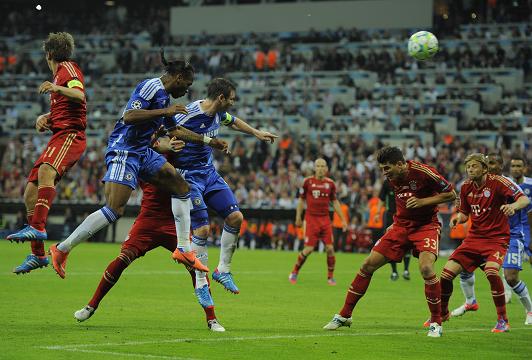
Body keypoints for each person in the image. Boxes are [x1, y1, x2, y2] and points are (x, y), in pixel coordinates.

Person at [48, 50, 228, 279]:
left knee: (181, 186)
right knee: (114, 209)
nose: (187, 91)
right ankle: (61, 249)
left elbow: (175, 131)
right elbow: (129, 116)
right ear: (179, 77)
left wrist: (209, 141)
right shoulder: (151, 87)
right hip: (125, 149)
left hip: (142, 151)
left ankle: (183, 249)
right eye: (188, 84)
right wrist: (165, 111)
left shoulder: (165, 99)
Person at [73, 137, 225, 331]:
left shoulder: (179, 152)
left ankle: (211, 318)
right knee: (122, 259)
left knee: (196, 267)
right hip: (148, 220)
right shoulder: (143, 154)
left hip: (174, 223)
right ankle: (91, 306)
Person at [323, 146, 456, 338]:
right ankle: (345, 315)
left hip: (426, 226)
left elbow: (451, 194)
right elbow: (401, 204)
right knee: (367, 265)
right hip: (400, 227)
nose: (384, 172)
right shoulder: (392, 178)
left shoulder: (424, 172)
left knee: (426, 269)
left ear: (401, 164)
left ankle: (436, 321)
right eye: (382, 168)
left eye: (387, 168)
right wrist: (394, 223)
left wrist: (422, 202)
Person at [171, 77, 277, 294]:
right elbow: (174, 130)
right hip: (188, 177)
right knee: (202, 228)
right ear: (220, 98)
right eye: (231, 99)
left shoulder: (219, 113)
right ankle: (201, 282)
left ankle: (223, 270)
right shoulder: (191, 112)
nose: (233, 103)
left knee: (236, 218)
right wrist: (209, 142)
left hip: (209, 174)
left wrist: (256, 132)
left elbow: (234, 121)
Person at [7, 33, 88, 274]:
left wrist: (56, 88)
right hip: (59, 134)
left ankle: (39, 227)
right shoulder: (60, 74)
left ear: (48, 54)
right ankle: (38, 254)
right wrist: (46, 118)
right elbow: (66, 109)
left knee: (45, 171)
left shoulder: (67, 69)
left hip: (71, 135)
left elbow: (79, 94)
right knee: (30, 193)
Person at [439, 153, 529, 333]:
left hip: (497, 239)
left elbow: (524, 200)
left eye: (474, 166)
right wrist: (458, 218)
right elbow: (465, 213)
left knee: (491, 271)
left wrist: (512, 206)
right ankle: (442, 313)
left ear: (485, 168)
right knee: (446, 274)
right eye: (468, 167)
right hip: (474, 238)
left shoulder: (499, 182)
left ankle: (503, 320)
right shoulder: (465, 187)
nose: (470, 170)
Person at [289, 158, 348, 286]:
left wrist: (343, 219)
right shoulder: (308, 182)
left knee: (330, 249)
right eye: (318, 166)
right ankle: (294, 272)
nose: (320, 168)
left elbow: (335, 202)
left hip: (325, 220)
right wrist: (298, 217)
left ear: (327, 169)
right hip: (311, 219)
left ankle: (330, 277)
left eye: (323, 166)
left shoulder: (330, 184)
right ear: (314, 168)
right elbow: (301, 200)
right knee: (309, 249)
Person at [377, 179, 411, 281]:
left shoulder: (407, 180)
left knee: (407, 242)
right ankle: (394, 271)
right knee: (391, 243)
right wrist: (378, 213)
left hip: (405, 216)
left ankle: (406, 270)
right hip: (390, 216)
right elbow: (381, 198)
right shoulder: (387, 182)